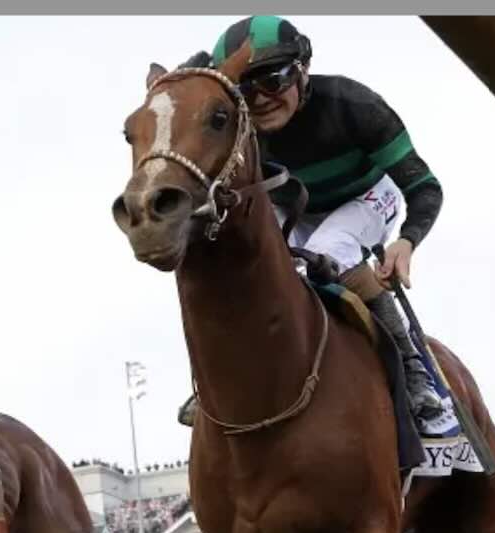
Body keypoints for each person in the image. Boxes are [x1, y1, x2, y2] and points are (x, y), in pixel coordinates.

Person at [180, 16, 444, 426]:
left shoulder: (355, 105)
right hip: (296, 201)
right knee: (242, 256)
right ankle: (223, 379)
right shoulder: (240, 124)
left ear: (303, 69)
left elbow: (426, 187)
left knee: (328, 248)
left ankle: (413, 370)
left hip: (368, 194)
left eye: (274, 79)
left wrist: (406, 241)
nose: (261, 98)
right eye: (246, 89)